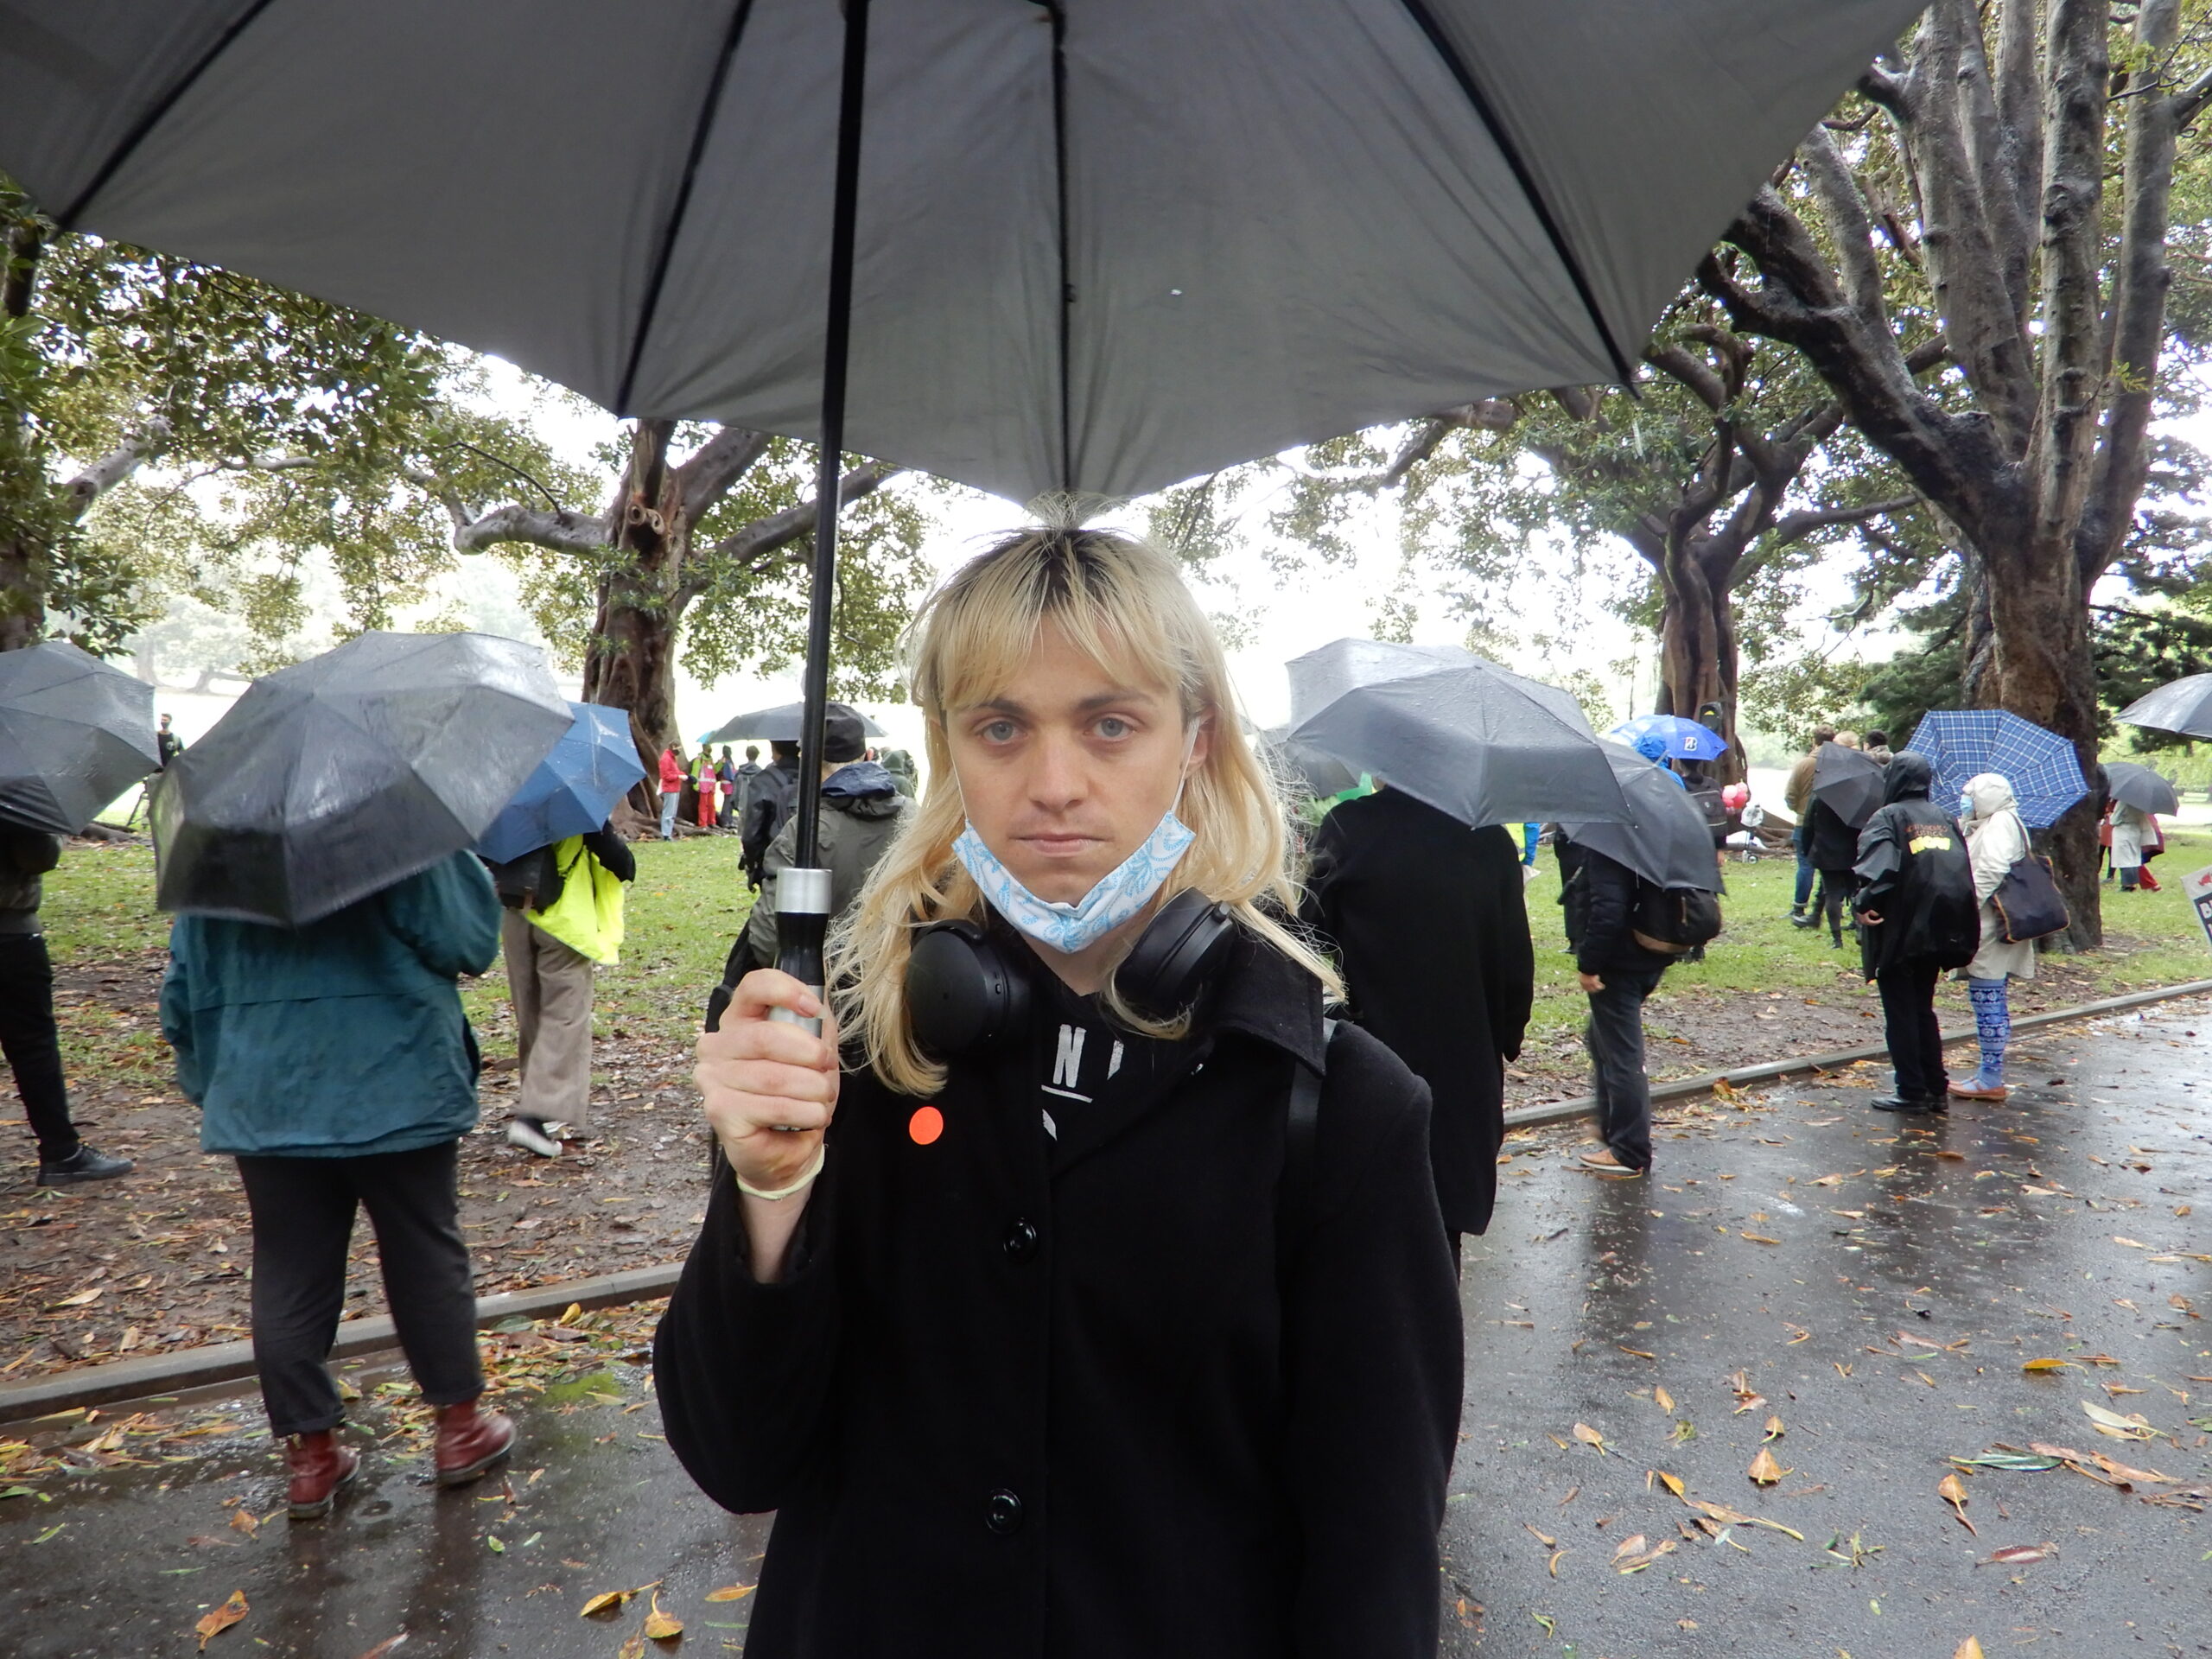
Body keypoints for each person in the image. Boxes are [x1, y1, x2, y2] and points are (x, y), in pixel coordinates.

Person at [655, 518, 1460, 1656]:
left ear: (1195, 740)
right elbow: (739, 1459)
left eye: (1110, 724)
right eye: (1000, 727)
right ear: (949, 751)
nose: (1053, 785)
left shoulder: (1343, 1111)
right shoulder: (844, 1055)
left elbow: (1372, 1566)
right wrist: (771, 1191)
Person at [158, 852, 516, 1519]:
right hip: (398, 1076)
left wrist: (214, 1080)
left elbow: (183, 988)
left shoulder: (216, 854)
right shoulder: (399, 834)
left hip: (264, 1088)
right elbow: (468, 943)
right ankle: (460, 1430)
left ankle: (311, 1458)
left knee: (289, 1265)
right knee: (424, 1248)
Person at [1300, 790, 1534, 1255]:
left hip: (1375, 1062)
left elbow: (1304, 927)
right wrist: (1506, 1036)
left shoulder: (1351, 826)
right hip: (1465, 1069)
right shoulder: (1490, 841)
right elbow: (1514, 967)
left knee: (1369, 1226)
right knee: (1443, 1229)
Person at [723, 704, 912, 982]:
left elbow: (769, 941)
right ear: (867, 755)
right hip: (900, 999)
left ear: (806, 760)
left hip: (822, 1004)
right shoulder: (916, 818)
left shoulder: (802, 833)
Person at [488, 825, 637, 1158]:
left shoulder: (508, 803)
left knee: (531, 1013)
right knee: (564, 1015)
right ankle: (537, 1115)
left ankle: (540, 1105)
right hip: (564, 919)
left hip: (516, 913)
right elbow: (621, 863)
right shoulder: (577, 813)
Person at [1852, 753, 1980, 1115]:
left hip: (1901, 929)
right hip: (1942, 928)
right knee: (1923, 1008)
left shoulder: (1888, 817)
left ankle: (1911, 1090)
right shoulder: (1944, 818)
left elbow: (1879, 870)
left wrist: (1863, 903)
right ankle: (1935, 1088)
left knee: (1901, 1012)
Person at [3, 828, 132, 1185]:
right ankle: (62, 1152)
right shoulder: (15, 793)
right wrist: (53, 831)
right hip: (8, 935)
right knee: (31, 1045)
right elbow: (36, 857)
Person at [1555, 835, 1676, 1177]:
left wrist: (1589, 964)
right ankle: (1611, 1126)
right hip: (1651, 954)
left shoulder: (1609, 843)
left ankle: (1629, 1150)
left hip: (1619, 963)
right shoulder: (1649, 836)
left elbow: (1608, 910)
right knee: (1600, 1039)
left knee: (1623, 1056)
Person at [1948, 772, 2033, 1103]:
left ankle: (1990, 1077)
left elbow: (1990, 868)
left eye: (1970, 794)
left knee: (1988, 1000)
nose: (1965, 799)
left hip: (1991, 926)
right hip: (1995, 925)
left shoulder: (2000, 823)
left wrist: (1966, 907)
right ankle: (1988, 1072)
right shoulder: (1998, 820)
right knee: (1991, 998)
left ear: (1986, 796)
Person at [1802, 744, 1861, 950]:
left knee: (1832, 894)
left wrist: (1808, 849)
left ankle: (1837, 940)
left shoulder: (1821, 794)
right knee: (1856, 891)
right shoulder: (1860, 794)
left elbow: (1808, 825)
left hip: (1826, 852)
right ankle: (1861, 931)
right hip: (1853, 851)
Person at [1785, 723, 1836, 925]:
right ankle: (1831, 906)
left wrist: (1800, 809)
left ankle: (1799, 906)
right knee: (1829, 867)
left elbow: (1790, 794)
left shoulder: (1804, 764)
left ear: (1814, 741)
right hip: (1831, 823)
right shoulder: (1839, 764)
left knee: (1805, 865)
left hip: (1803, 820)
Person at [739, 741, 801, 891]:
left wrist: (753, 862)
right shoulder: (816, 775)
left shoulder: (763, 781)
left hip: (775, 860)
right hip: (815, 860)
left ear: (774, 749)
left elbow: (751, 835)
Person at [2109, 797, 2150, 891]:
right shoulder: (2141, 801)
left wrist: (2111, 816)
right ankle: (2133, 883)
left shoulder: (2123, 801)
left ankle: (2127, 884)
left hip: (2123, 830)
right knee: (2133, 858)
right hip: (2135, 829)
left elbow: (2114, 820)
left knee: (2124, 859)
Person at [658, 743, 684, 839]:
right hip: (669, 788)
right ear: (673, 747)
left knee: (672, 813)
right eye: (678, 748)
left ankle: (669, 832)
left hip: (676, 788)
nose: (679, 751)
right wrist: (678, 776)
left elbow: (675, 771)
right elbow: (666, 776)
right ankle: (666, 834)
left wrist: (685, 775)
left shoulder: (672, 758)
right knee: (668, 812)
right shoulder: (666, 759)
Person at [715, 747, 743, 830]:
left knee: (729, 803)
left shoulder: (727, 761)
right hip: (728, 785)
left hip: (727, 785)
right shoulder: (726, 761)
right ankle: (726, 821)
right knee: (727, 804)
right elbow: (729, 774)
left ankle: (729, 820)